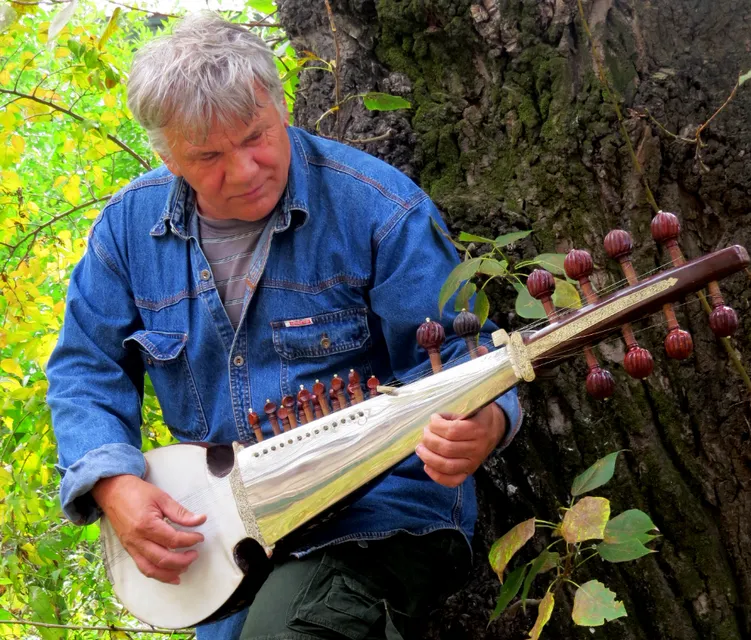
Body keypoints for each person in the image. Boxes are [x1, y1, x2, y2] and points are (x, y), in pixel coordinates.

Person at [46, 12, 523, 640]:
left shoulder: (378, 209)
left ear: (280, 104)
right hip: (228, 534)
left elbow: (463, 362)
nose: (244, 170)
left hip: (381, 514)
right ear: (167, 156)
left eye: (256, 136)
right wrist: (112, 483)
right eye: (210, 156)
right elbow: (85, 368)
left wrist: (487, 421)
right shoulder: (127, 233)